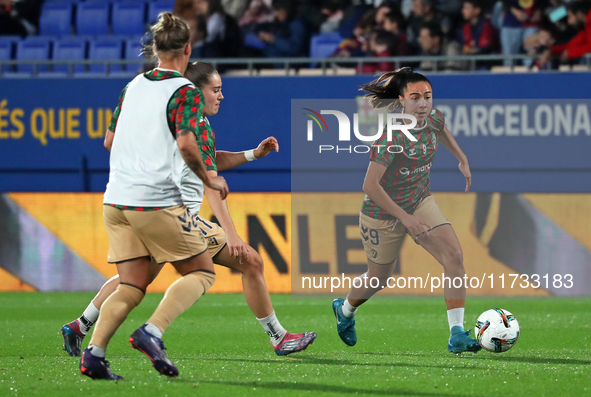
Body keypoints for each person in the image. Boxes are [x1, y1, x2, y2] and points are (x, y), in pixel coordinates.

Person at [61, 61, 317, 360]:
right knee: (249, 262)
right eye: (216, 90)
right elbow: (211, 184)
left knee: (135, 280)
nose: (221, 96)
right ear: (197, 91)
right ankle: (275, 336)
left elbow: (208, 160)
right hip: (178, 215)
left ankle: (81, 326)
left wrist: (251, 154)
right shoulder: (195, 124)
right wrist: (232, 235)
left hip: (144, 208)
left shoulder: (175, 119)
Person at [78, 13, 229, 381]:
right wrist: (209, 173)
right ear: (187, 49)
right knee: (201, 271)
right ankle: (152, 331)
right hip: (154, 200)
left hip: (115, 200)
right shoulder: (185, 91)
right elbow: (186, 142)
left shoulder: (132, 86)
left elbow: (109, 141)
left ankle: (94, 355)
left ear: (157, 48)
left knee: (131, 284)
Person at [331, 67, 481, 355]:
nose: (423, 103)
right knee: (378, 279)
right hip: (382, 214)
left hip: (419, 201)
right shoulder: (392, 136)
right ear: (401, 100)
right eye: (415, 98)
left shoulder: (433, 118)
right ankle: (345, 309)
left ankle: (456, 334)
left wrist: (461, 158)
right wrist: (406, 218)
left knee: (454, 256)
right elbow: (369, 185)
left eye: (427, 96)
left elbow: (442, 129)